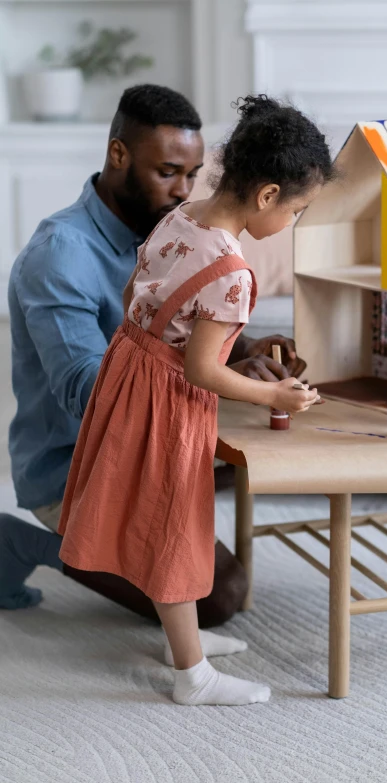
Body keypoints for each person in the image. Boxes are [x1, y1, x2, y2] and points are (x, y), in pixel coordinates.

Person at [0, 85, 307, 642]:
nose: (183, 191)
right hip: (74, 462)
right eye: (168, 172)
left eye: (193, 174)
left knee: (219, 501)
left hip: (143, 436)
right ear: (119, 154)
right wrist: (220, 386)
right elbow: (84, 388)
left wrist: (242, 350)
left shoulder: (174, 228)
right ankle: (29, 542)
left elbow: (175, 328)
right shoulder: (58, 254)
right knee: (217, 597)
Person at [58, 93, 332, 706]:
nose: (291, 224)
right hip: (166, 399)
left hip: (127, 370)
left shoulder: (181, 215)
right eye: (297, 211)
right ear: (267, 196)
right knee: (173, 529)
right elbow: (204, 370)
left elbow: (140, 292)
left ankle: (183, 642)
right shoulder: (233, 272)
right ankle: (193, 676)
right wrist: (273, 392)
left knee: (162, 520)